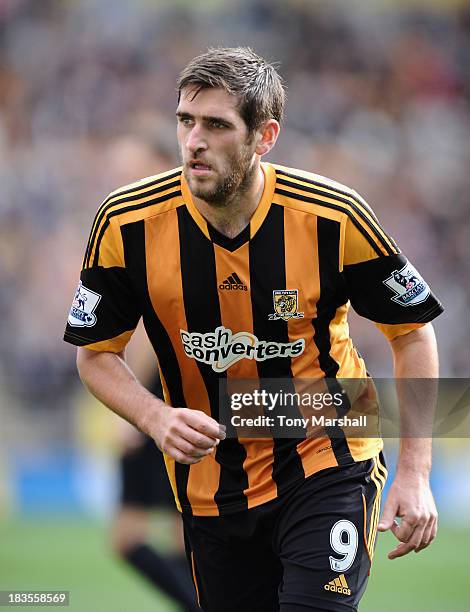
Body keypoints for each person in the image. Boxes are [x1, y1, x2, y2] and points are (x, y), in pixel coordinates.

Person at [64, 47, 443, 612]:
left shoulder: (333, 216)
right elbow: (95, 354)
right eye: (185, 121)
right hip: (210, 489)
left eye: (216, 125)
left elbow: (411, 331)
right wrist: (155, 416)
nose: (194, 141)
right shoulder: (126, 223)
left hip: (328, 454)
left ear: (264, 137)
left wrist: (414, 472)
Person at [112, 374, 200, 612]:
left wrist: (131, 409)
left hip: (159, 416)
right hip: (169, 411)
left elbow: (143, 340)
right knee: (184, 538)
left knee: (183, 538)